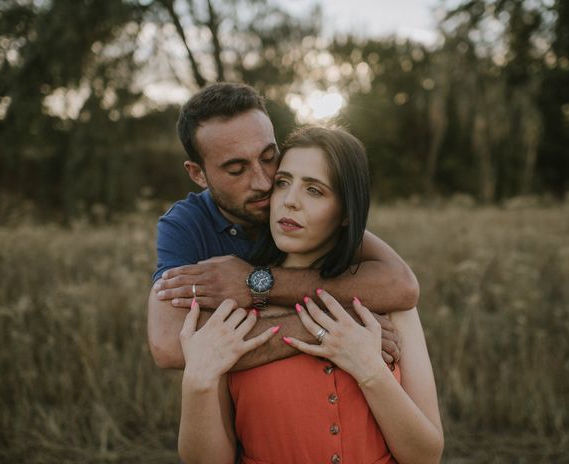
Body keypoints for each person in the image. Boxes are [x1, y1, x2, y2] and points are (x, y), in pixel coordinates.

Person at [177, 126, 444, 464]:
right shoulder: (229, 307)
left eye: (315, 190)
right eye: (283, 183)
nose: (290, 201)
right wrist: (197, 383)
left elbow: (426, 457)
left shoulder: (391, 306)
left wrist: (370, 371)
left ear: (347, 213)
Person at [147, 83, 419, 373]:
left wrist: (255, 284)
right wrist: (319, 323)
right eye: (237, 170)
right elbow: (169, 346)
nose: (264, 182)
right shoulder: (186, 225)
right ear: (198, 173)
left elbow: (401, 286)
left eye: (268, 157)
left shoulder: (290, 204)